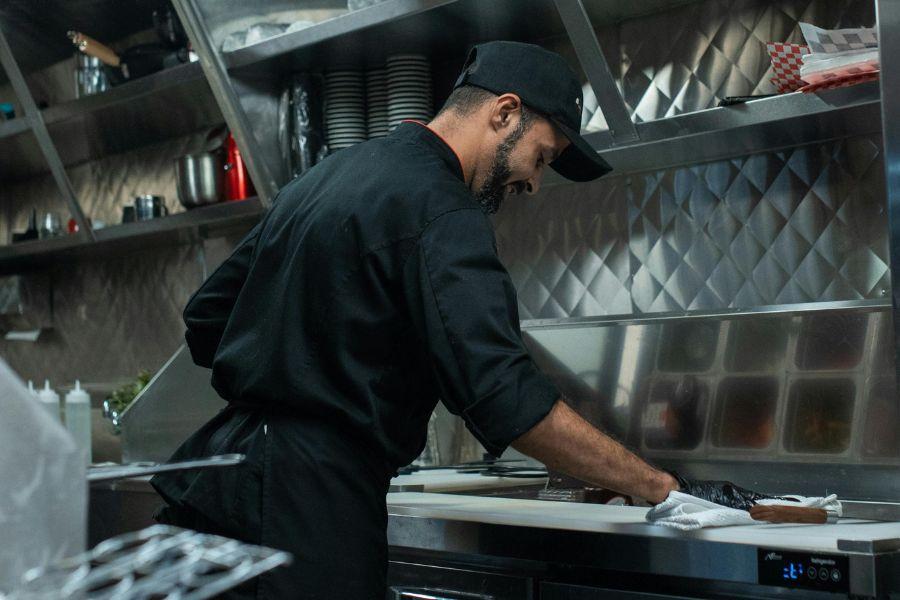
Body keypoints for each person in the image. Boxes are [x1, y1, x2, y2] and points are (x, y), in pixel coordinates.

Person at [151, 41, 770, 599]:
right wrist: (662, 487)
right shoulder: (443, 210)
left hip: (219, 482)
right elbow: (505, 399)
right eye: (542, 155)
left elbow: (208, 321)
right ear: (503, 112)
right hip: (310, 502)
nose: (533, 181)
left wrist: (299, 366)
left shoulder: (323, 177)